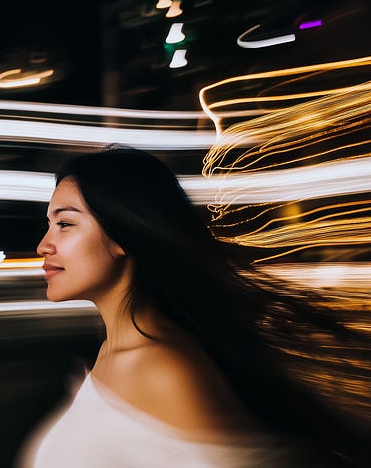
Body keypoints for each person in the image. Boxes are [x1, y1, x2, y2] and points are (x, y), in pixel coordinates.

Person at [19, 144, 369, 467]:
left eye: (65, 224)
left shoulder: (162, 368)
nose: (43, 245)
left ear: (123, 234)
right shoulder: (115, 351)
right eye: (49, 225)